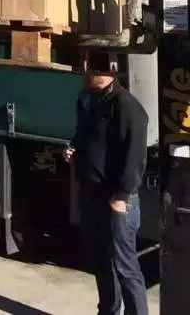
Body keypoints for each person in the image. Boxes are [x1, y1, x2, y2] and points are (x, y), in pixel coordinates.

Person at [64, 51, 149, 315]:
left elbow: (135, 155)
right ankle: (109, 311)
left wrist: (122, 195)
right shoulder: (88, 99)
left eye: (88, 69)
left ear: (102, 73)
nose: (85, 73)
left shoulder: (127, 107)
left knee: (125, 267)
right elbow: (84, 135)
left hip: (116, 200)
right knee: (101, 262)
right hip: (91, 194)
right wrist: (73, 149)